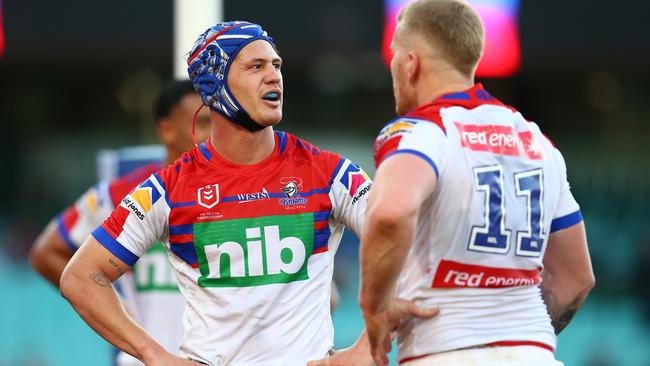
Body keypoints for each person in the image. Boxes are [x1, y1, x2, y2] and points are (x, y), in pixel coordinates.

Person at [58, 21, 424, 366]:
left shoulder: (330, 173)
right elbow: (81, 277)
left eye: (277, 65)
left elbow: (413, 242)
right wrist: (155, 355)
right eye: (256, 66)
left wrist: (366, 345)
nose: (274, 75)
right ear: (215, 84)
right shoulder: (167, 189)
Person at [359, 1, 595, 365]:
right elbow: (575, 277)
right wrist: (513, 335)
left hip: (443, 352)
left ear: (411, 62)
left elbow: (390, 213)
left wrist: (375, 308)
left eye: (395, 54)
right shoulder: (536, 142)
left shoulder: (421, 132)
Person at [30, 80, 212, 366]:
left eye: (222, 123)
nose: (215, 135)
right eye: (203, 123)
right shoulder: (120, 195)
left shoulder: (239, 198)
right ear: (166, 130)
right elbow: (46, 252)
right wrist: (111, 306)